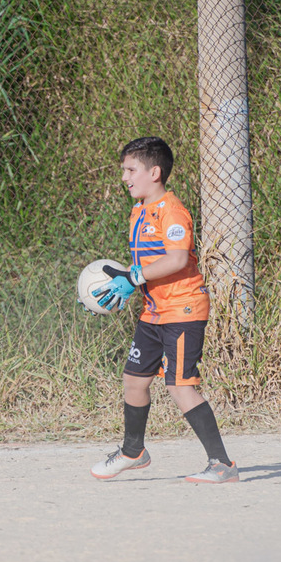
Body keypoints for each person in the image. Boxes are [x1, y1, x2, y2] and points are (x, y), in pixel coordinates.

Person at [86, 136, 238, 483]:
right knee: (134, 381)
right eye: (124, 170)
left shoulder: (172, 211)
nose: (124, 177)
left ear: (154, 172)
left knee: (180, 386)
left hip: (183, 310)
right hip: (153, 312)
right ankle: (133, 451)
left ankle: (222, 465)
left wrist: (134, 276)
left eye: (131, 170)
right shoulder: (139, 211)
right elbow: (146, 266)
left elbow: (177, 259)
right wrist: (107, 291)